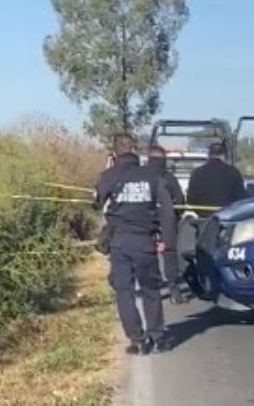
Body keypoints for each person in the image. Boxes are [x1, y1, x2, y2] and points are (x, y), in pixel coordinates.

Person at [95, 134, 175, 355]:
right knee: (151, 290)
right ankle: (157, 337)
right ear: (135, 150)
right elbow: (166, 209)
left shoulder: (108, 176)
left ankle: (138, 340)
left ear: (115, 152)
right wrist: (167, 242)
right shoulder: (152, 176)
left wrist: (107, 170)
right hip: (145, 241)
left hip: (120, 242)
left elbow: (97, 201)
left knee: (125, 292)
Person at [145, 144, 185, 304]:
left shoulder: (141, 176)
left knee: (145, 255)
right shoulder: (169, 178)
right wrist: (176, 216)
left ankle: (151, 291)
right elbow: (181, 201)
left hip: (145, 221)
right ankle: (174, 290)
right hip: (167, 220)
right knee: (169, 255)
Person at [187, 142, 246, 217]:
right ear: (224, 155)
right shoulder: (234, 172)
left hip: (204, 220)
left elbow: (190, 200)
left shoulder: (197, 173)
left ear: (209, 155)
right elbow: (241, 199)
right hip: (227, 219)